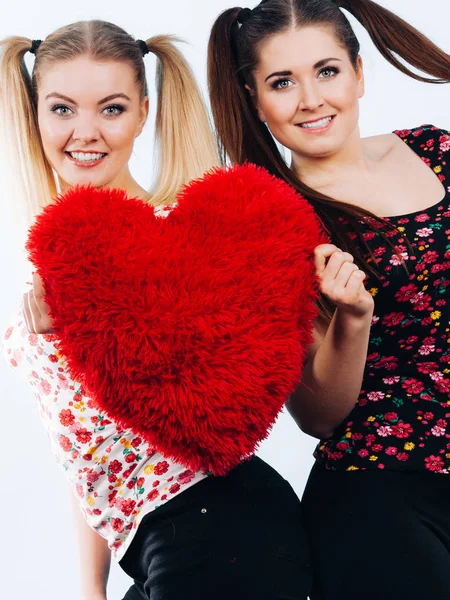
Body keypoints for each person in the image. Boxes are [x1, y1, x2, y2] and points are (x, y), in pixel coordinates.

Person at [0, 19, 312, 600]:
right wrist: (91, 588)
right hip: (145, 546)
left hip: (222, 529)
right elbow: (83, 451)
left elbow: (230, 388)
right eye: (62, 109)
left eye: (111, 109)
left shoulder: (183, 240)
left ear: (144, 113)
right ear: (34, 113)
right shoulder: (41, 266)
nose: (84, 132)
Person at [208, 0, 450, 598]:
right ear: (254, 97)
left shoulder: (436, 151)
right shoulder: (270, 223)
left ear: (359, 73)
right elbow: (317, 416)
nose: (310, 99)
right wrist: (354, 318)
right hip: (384, 492)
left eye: (327, 71)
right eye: (281, 82)